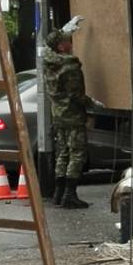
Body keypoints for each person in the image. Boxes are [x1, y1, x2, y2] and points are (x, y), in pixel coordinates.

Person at [45, 17, 92, 208]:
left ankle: (58, 193)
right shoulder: (70, 67)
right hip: (72, 115)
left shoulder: (49, 62)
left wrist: (65, 30)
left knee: (62, 152)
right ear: (62, 47)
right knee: (77, 154)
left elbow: (48, 46)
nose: (70, 43)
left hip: (58, 115)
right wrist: (92, 104)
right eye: (67, 40)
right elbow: (76, 95)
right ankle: (70, 195)